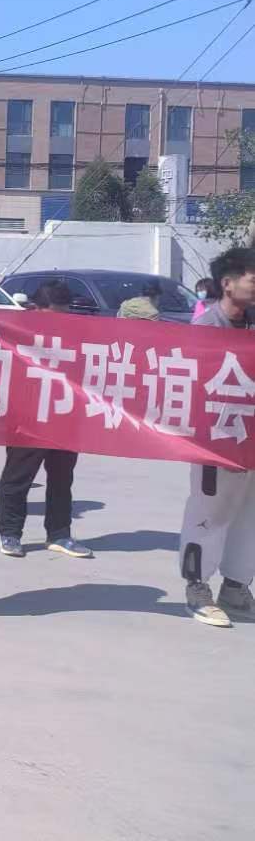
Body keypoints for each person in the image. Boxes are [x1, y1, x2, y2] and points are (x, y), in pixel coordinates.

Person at [179, 247, 255, 628]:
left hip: (251, 440)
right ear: (228, 283)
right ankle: (197, 588)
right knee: (210, 514)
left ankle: (236, 587)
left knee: (249, 515)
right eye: (253, 278)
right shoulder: (206, 328)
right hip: (216, 439)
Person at [0, 280, 93, 560]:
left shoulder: (77, 334)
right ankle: (10, 533)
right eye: (53, 315)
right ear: (36, 308)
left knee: (62, 478)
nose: (59, 321)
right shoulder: (18, 332)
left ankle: (59, 534)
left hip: (64, 413)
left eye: (64, 314)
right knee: (18, 477)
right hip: (28, 415)